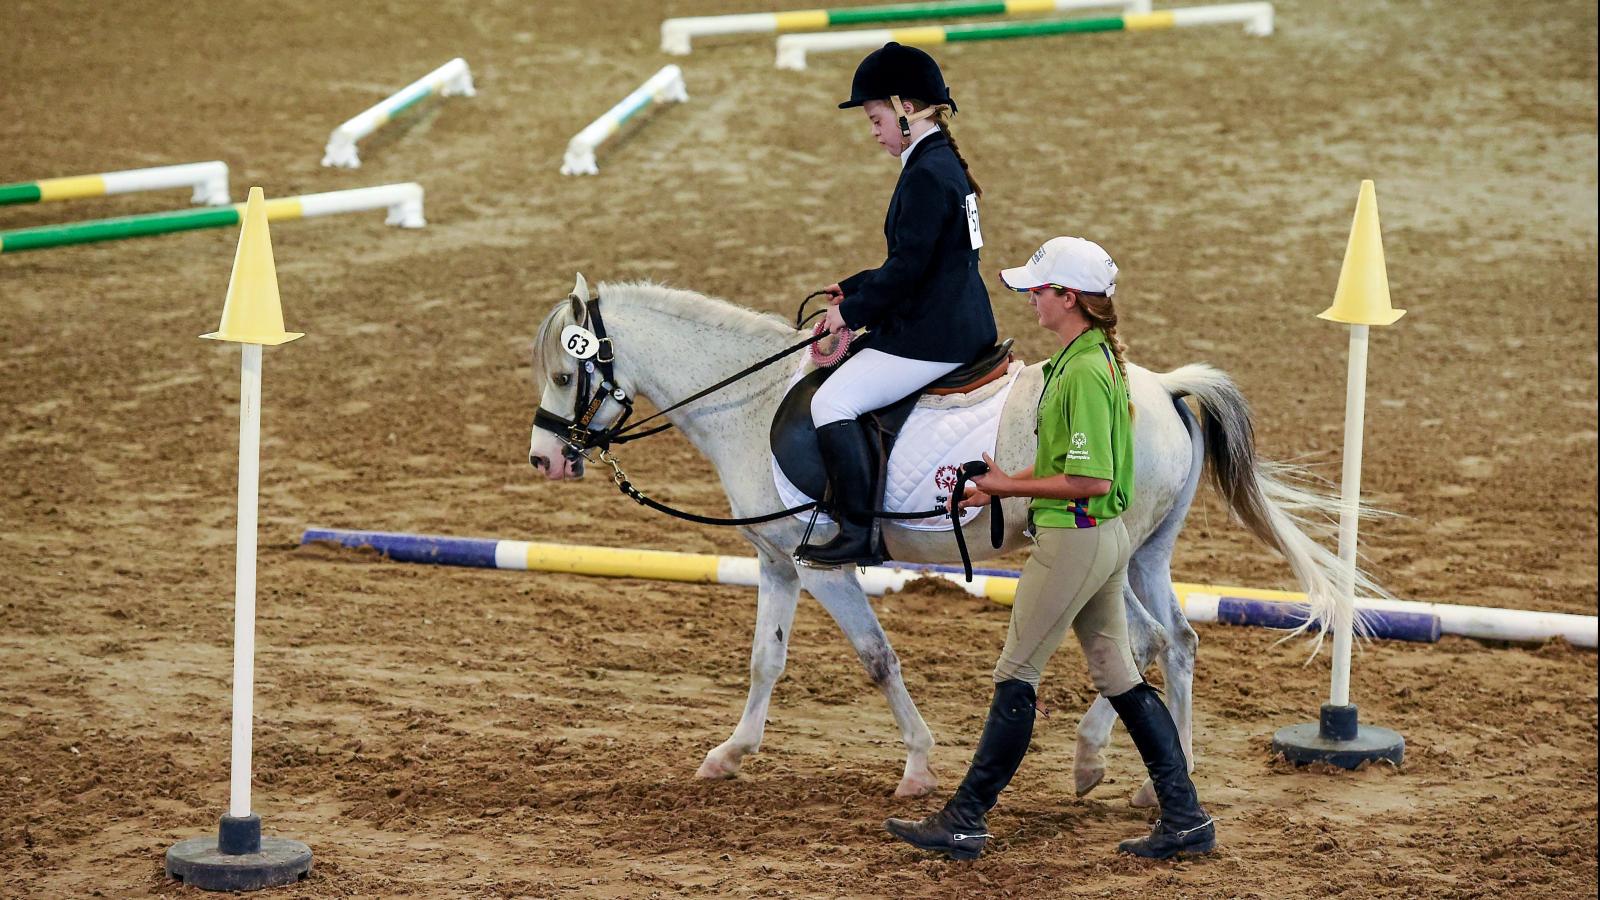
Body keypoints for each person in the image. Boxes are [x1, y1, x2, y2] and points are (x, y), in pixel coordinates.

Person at [882, 237, 1215, 861]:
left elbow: (1090, 478)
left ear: (1069, 298)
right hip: (1099, 538)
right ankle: (1186, 815)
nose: (1030, 298)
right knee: (1118, 675)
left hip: (1073, 538)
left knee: (1015, 675)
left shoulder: (1085, 370)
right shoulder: (1084, 358)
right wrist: (1000, 492)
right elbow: (1069, 462)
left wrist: (1007, 484)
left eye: (1040, 289)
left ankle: (967, 816)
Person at [795, 42, 999, 569]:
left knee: (831, 404)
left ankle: (859, 531)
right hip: (954, 315)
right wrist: (854, 286)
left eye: (876, 116)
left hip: (935, 332)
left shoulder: (929, 173)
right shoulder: (939, 162)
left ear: (908, 109)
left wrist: (852, 312)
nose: (873, 129)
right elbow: (922, 259)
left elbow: (910, 271)